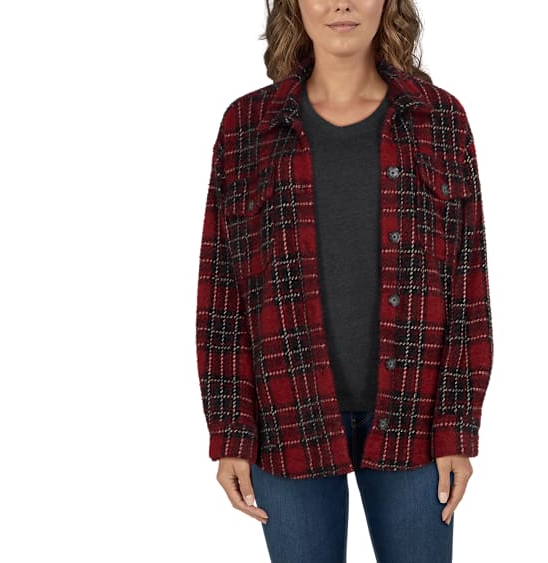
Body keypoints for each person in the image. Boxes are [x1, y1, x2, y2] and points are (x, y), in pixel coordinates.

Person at [195, 0, 493, 560]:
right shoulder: (246, 126)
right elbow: (223, 291)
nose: (342, 4)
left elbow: (468, 284)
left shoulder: (440, 119)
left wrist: (456, 426)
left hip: (414, 416)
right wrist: (231, 430)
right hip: (287, 414)